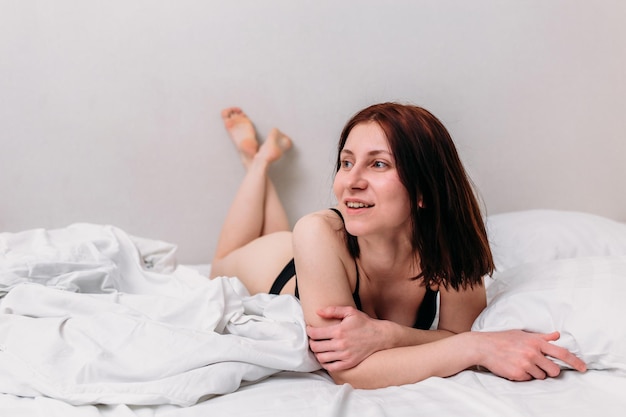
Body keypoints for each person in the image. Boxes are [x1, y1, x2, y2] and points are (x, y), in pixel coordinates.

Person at [210, 103, 586, 389]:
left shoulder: (450, 245)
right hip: (274, 266)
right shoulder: (316, 231)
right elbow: (345, 369)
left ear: (423, 190)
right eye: (346, 162)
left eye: (378, 165)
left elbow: (456, 333)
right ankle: (257, 162)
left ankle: (259, 160)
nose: (349, 182)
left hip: (316, 267)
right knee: (225, 259)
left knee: (278, 229)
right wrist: (476, 347)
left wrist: (387, 335)